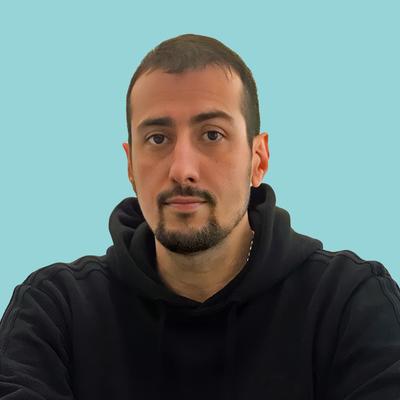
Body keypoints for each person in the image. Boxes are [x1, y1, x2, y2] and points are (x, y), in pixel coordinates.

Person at [0, 33, 399, 400]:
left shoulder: (350, 303)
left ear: (258, 159)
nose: (182, 169)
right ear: (130, 165)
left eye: (212, 135)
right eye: (158, 138)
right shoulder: (55, 312)